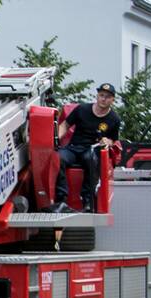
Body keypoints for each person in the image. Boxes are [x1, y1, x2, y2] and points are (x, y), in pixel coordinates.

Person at [55, 83, 122, 213]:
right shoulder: (82, 109)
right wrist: (55, 139)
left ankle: (87, 201)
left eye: (107, 97)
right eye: (101, 95)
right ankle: (61, 201)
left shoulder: (114, 119)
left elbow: (113, 140)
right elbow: (65, 125)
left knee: (91, 160)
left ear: (112, 100)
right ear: (97, 96)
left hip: (92, 149)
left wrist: (107, 141)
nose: (103, 99)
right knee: (58, 158)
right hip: (74, 148)